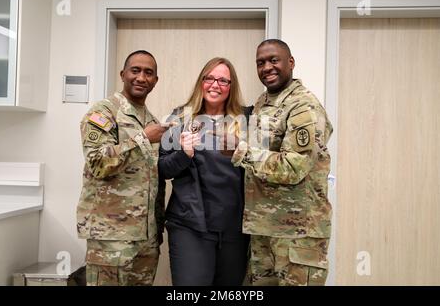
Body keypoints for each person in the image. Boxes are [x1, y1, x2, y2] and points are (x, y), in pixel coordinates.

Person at [227, 39, 333, 286]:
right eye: (260, 63)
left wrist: (239, 151)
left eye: (274, 60)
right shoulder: (264, 102)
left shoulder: (303, 105)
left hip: (298, 235)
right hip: (264, 230)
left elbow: (294, 167)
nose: (267, 67)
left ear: (291, 63)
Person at [76, 50, 168, 286]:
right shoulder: (104, 112)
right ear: (123, 74)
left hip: (146, 238)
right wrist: (143, 138)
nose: (141, 77)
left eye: (148, 73)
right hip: (111, 238)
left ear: (155, 81)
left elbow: (152, 178)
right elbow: (97, 163)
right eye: (135, 70)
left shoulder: (152, 121)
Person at [158, 57, 250, 286]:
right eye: (209, 78)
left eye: (223, 80)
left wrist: (241, 146)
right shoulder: (179, 118)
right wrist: (183, 154)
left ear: (231, 86)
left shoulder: (247, 120)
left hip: (234, 229)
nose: (215, 85)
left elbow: (260, 168)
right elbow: (163, 169)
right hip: (190, 226)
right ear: (201, 82)